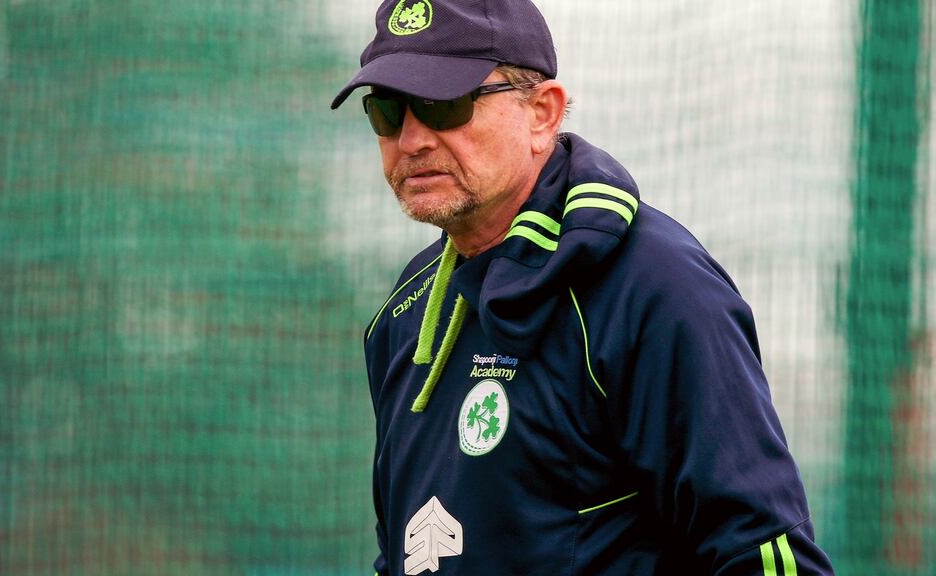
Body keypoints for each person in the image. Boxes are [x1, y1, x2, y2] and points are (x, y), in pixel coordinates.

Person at [331, 1, 835, 574]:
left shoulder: (655, 288)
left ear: (543, 113)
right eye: (388, 111)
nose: (412, 138)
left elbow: (764, 554)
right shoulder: (406, 310)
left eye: (444, 104)